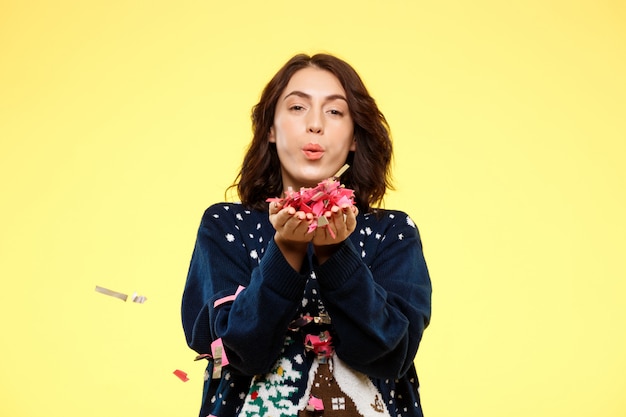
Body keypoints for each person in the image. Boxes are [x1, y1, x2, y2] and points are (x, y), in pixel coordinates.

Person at [182, 53, 432, 417]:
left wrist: (335, 254)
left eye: (334, 112)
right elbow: (235, 352)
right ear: (270, 128)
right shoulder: (225, 226)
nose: (315, 124)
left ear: (355, 138)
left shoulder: (391, 232)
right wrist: (286, 250)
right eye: (298, 107)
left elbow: (390, 353)